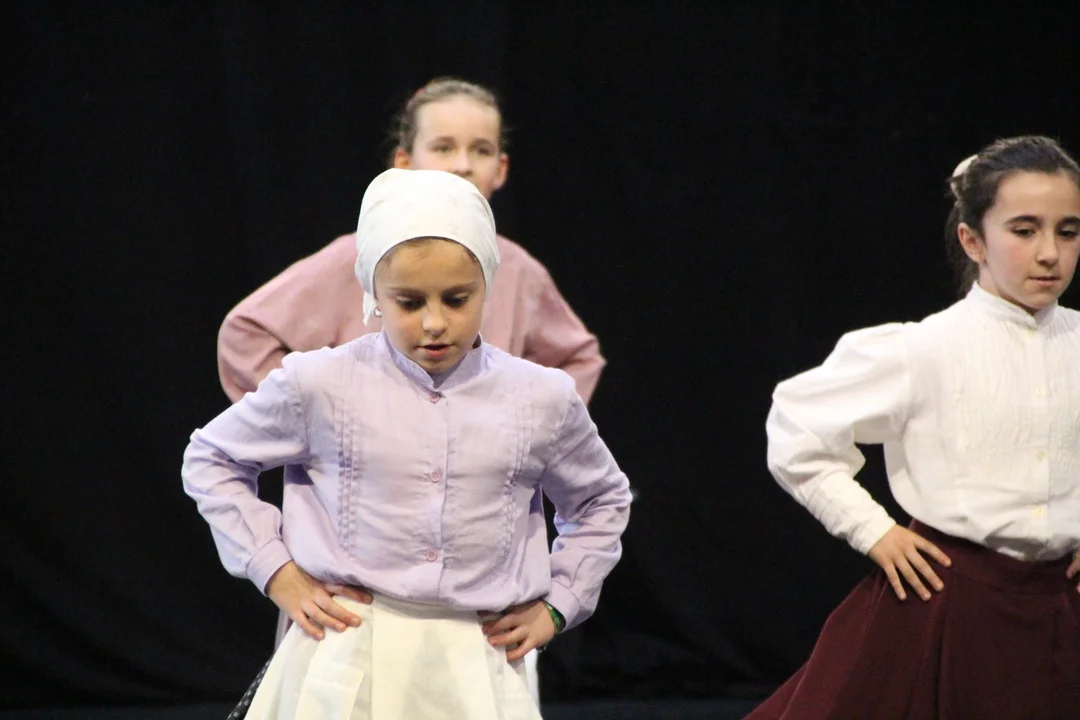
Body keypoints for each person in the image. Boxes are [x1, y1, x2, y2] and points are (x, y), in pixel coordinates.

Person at [183, 168, 632, 719]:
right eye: (409, 302)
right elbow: (212, 457)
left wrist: (560, 602)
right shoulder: (321, 384)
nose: (435, 322)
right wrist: (273, 567)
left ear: (488, 285)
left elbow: (602, 499)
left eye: (457, 298)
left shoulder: (541, 398)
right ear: (374, 294)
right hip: (346, 657)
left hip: (477, 663)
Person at [747, 135, 1080, 719]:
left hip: (1062, 607)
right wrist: (872, 530)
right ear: (972, 240)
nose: (1049, 253)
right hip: (951, 603)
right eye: (1024, 231)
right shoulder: (925, 349)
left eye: (1068, 231)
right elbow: (798, 425)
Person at [217, 77, 605, 405]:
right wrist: (317, 415)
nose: (462, 165)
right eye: (443, 147)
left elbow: (576, 357)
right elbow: (247, 334)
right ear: (404, 162)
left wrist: (526, 425)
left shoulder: (518, 269)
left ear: (501, 168)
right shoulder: (361, 256)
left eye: (481, 150)